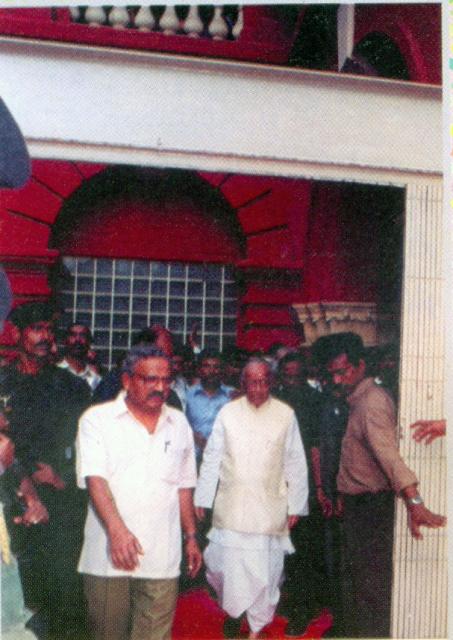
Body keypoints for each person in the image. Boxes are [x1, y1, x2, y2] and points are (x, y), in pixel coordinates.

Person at [312, 332, 446, 638]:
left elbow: (388, 457)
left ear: (360, 366)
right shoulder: (356, 401)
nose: (336, 379)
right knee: (358, 584)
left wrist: (415, 502)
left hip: (371, 511)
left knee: (369, 588)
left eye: (342, 372)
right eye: (332, 373)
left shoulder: (372, 403)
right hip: (359, 506)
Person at [76, 345, 202, 640]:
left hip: (162, 555)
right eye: (150, 379)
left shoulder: (179, 422)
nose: (161, 388)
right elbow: (96, 480)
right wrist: (118, 532)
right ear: (127, 380)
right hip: (109, 556)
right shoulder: (97, 420)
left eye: (167, 380)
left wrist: (192, 537)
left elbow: (184, 485)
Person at [194, 357, 308, 639]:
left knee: (264, 572)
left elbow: (295, 461)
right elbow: (212, 458)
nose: (258, 388)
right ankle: (235, 612)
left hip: (268, 509)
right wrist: (203, 497)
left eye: (264, 382)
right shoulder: (228, 413)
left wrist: (296, 504)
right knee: (222, 567)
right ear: (242, 384)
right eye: (252, 382)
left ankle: (256, 628)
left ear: (271, 382)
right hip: (231, 507)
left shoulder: (285, 414)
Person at [1, 301, 91, 639]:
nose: (45, 337)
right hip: (12, 505)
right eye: (37, 329)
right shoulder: (3, 382)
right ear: (16, 334)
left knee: (65, 595)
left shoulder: (71, 387)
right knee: (19, 597)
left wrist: (62, 477)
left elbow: (90, 447)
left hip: (62, 507)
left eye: (49, 330)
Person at [273, 353, 326, 637]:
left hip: (304, 485)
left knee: (303, 551)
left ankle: (302, 610)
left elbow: (316, 446)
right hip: (275, 486)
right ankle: (285, 600)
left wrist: (317, 487)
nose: (291, 380)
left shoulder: (315, 401)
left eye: (296, 375)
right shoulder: (274, 401)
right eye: (286, 375)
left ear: (304, 374)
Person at [185, 349, 234, 462]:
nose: (212, 371)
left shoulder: (232, 396)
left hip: (223, 459)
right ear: (199, 370)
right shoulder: (188, 395)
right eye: (206, 366)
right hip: (193, 459)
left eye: (216, 367)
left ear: (222, 370)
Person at [58, 322, 102, 392]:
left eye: (82, 335)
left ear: (89, 342)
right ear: (65, 340)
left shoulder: (95, 378)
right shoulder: (56, 370)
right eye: (73, 335)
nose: (78, 339)